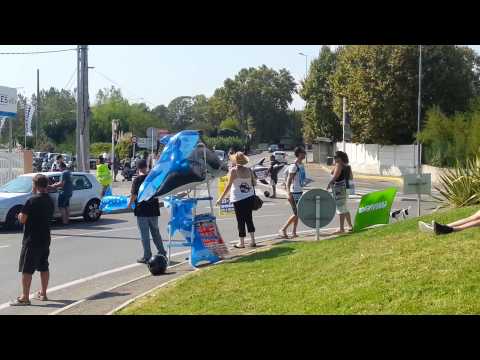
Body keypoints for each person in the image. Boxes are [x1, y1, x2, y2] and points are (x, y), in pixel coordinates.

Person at [10, 174, 54, 306]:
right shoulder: (50, 200)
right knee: (44, 266)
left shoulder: (31, 201)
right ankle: (44, 293)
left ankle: (25, 297)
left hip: (32, 239)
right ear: (46, 185)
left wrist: (19, 216)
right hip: (45, 237)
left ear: (35, 185)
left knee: (27, 269)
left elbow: (23, 219)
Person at [128, 159, 167, 263]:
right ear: (146, 166)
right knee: (156, 232)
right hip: (153, 209)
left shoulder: (137, 180)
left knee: (145, 234)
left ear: (137, 168)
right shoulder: (153, 178)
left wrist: (129, 204)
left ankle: (147, 256)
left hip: (142, 210)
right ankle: (162, 252)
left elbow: (134, 195)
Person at [216, 152, 256, 248]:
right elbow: (254, 183)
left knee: (240, 220)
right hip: (249, 196)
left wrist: (220, 198)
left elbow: (228, 186)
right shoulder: (249, 170)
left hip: (238, 199)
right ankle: (253, 240)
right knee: (249, 218)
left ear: (235, 160)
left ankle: (241, 243)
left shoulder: (234, 171)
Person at [278, 146, 306, 239]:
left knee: (297, 213)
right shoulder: (294, 166)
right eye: (303, 153)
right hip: (294, 193)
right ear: (298, 154)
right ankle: (283, 229)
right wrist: (288, 193)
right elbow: (289, 181)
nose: (304, 154)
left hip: (299, 191)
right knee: (297, 213)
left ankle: (294, 232)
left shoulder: (301, 165)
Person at [327, 151, 353, 234]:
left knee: (340, 208)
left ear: (340, 158)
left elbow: (335, 176)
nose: (334, 158)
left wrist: (329, 184)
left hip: (339, 189)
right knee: (344, 208)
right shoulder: (347, 166)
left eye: (335, 157)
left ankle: (341, 229)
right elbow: (351, 177)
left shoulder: (339, 165)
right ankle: (350, 226)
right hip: (347, 188)